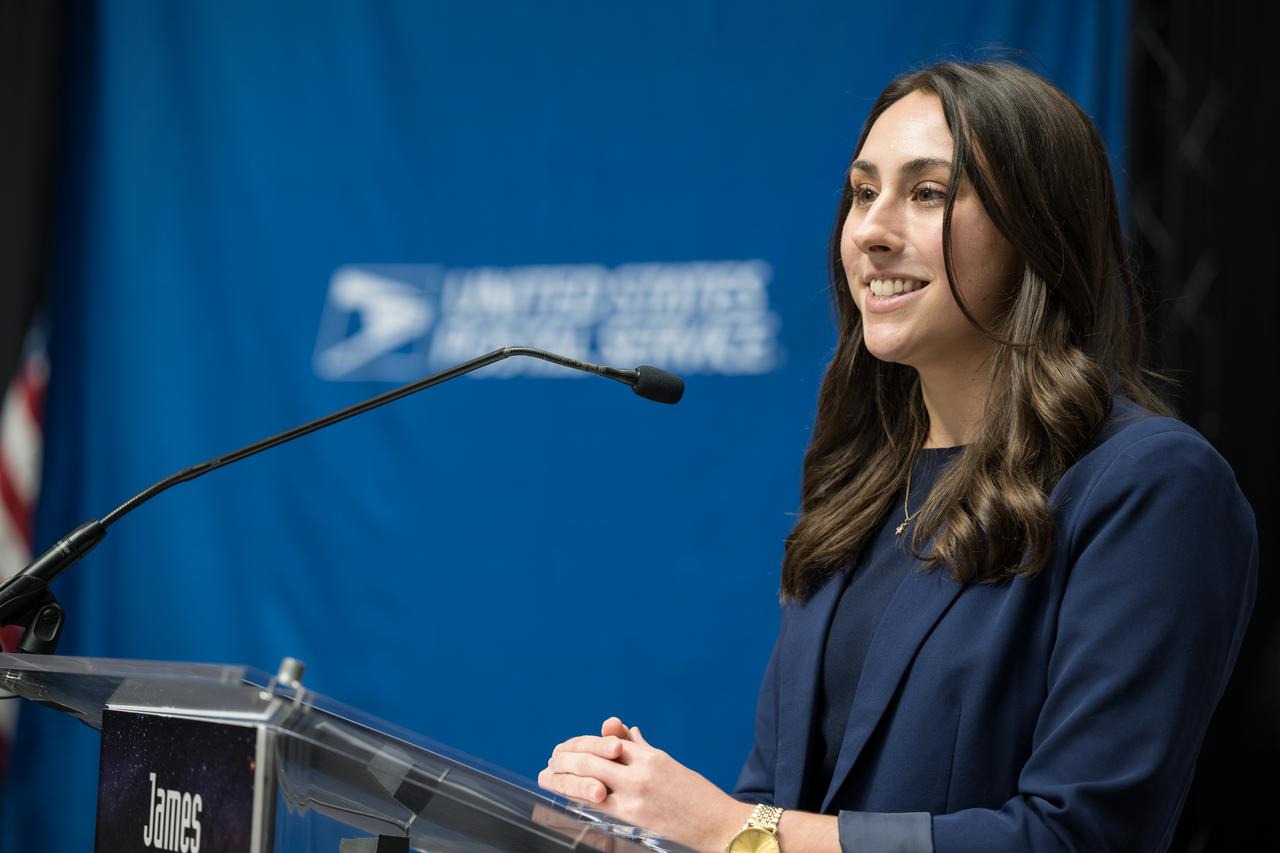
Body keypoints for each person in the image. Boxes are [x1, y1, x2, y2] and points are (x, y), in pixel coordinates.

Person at [537, 61, 1257, 852]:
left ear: (1038, 230)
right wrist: (643, 827)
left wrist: (729, 828)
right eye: (862, 191)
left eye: (928, 193)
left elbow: (1080, 836)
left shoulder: (1149, 484)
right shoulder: (857, 490)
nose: (872, 230)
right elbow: (776, 814)